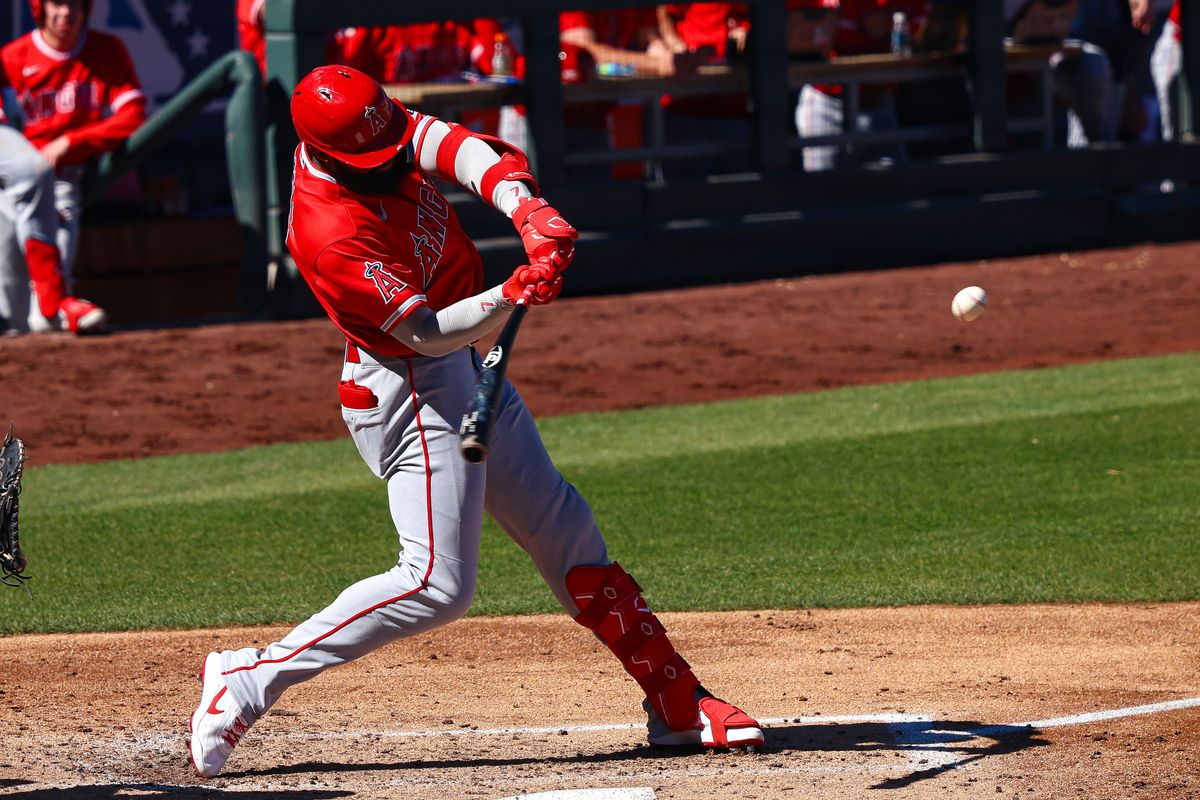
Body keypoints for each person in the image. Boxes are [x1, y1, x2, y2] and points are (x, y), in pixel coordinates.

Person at [187, 65, 764, 778]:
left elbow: (456, 147)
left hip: (461, 362)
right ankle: (246, 678)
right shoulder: (328, 231)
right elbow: (424, 333)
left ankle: (677, 699)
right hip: (408, 387)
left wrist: (528, 212)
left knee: (565, 527)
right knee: (435, 583)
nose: (399, 157)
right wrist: (512, 289)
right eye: (380, 156)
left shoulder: (380, 135)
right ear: (331, 156)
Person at [1, 0, 145, 331]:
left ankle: (56, 313)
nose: (66, 13)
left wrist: (71, 142)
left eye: (75, 4)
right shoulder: (11, 58)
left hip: (64, 180)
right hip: (10, 190)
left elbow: (133, 115)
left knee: (45, 314)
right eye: (57, 3)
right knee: (10, 307)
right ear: (39, 7)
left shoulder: (106, 50)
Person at [792, 0, 929, 171]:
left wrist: (887, 29)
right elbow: (813, 40)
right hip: (828, 99)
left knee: (894, 183)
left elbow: (925, 39)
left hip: (877, 101)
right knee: (825, 185)